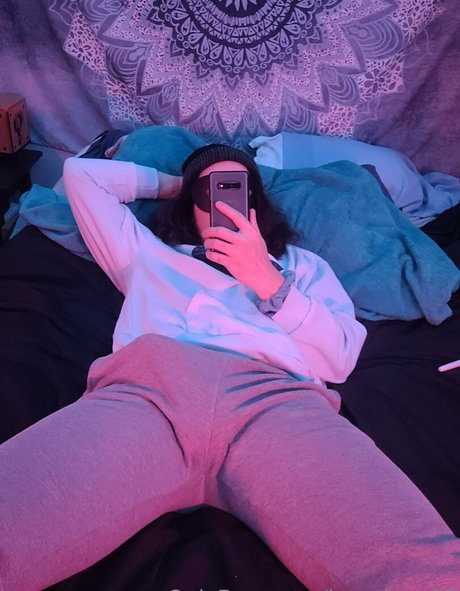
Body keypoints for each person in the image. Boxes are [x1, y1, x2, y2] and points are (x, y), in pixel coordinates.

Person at [0, 144, 459, 591]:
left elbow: (339, 358)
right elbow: (83, 177)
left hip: (276, 404)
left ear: (256, 202)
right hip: (150, 391)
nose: (222, 200)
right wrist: (178, 184)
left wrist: (270, 283)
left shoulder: (302, 268)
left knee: (421, 569)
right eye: (210, 191)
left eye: (237, 189)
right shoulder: (146, 253)